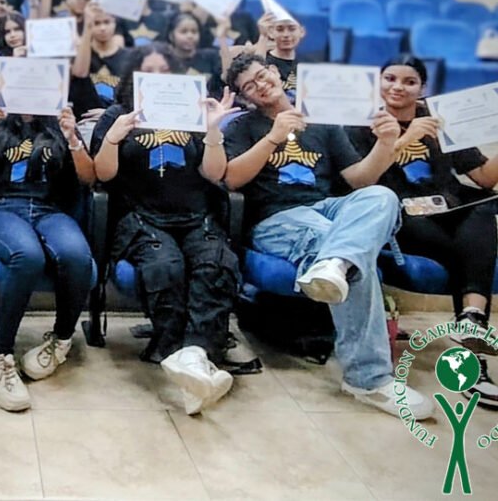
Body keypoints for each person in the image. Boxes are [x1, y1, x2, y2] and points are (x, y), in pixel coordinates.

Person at [222, 53, 434, 418]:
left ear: (275, 72)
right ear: (245, 97)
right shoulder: (242, 127)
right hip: (276, 219)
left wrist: (386, 143)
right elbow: (231, 179)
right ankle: (368, 379)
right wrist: (272, 138)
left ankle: (335, 261)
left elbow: (359, 181)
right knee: (355, 254)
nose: (260, 85)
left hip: (329, 209)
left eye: (261, 75)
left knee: (381, 197)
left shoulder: (323, 120)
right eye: (249, 87)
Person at [91, 46, 240, 414]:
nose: (157, 76)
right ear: (135, 77)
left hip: (194, 215)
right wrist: (114, 136)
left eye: (164, 70)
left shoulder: (194, 112)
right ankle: (189, 359)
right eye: (148, 71)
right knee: (165, 266)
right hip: (141, 216)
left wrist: (213, 131)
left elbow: (214, 174)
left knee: (215, 265)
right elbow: (102, 175)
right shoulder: (116, 114)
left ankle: (191, 359)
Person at [347, 56, 498, 408]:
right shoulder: (360, 124)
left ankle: (472, 319)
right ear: (378, 83)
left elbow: (484, 178)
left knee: (485, 205)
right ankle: (474, 359)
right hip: (399, 214)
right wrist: (407, 136)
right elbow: (361, 181)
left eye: (409, 81)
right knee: (469, 252)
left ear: (423, 88)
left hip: (449, 210)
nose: (398, 87)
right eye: (390, 79)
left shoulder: (439, 121)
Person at [0, 100, 95, 412]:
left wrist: (72, 137)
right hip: (2, 209)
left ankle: (60, 340)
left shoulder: (60, 125)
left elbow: (88, 179)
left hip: (49, 210)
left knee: (77, 256)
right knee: (27, 256)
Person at [71, 2, 134, 115]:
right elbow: (80, 73)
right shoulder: (82, 55)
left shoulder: (129, 57)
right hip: (83, 118)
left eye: (107, 22)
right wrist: (88, 25)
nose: (102, 28)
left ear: (115, 24)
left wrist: (108, 114)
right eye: (97, 23)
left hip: (115, 119)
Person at [163, 12, 226, 95]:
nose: (190, 36)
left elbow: (225, 77)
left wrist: (222, 38)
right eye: (184, 32)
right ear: (171, 35)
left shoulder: (211, 56)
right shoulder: (164, 60)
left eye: (194, 31)